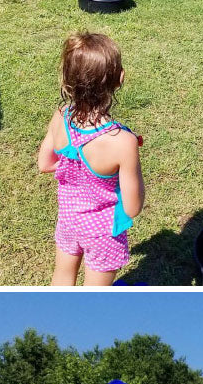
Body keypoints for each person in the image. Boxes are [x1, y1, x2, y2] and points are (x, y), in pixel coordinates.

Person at [37, 32, 145, 286]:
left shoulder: (62, 115)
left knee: (62, 275)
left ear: (68, 80)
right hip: (102, 231)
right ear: (119, 79)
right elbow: (132, 207)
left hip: (68, 218)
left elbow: (45, 164)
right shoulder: (122, 142)